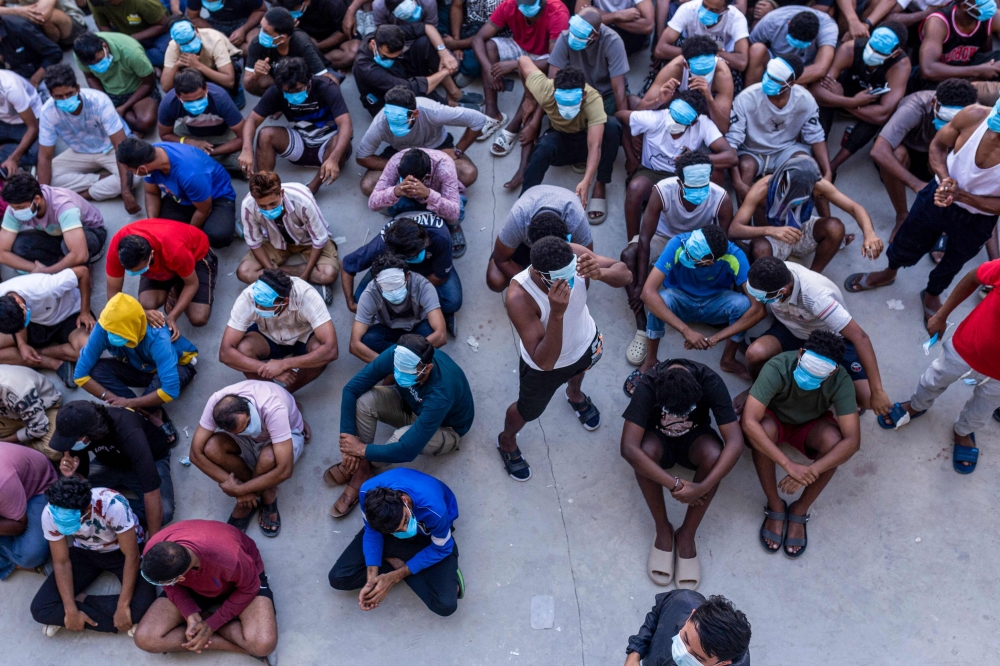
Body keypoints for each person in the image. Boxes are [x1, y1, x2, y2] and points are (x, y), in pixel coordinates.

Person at [845, 99, 1000, 318]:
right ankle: (888, 273)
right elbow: (938, 146)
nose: (994, 133)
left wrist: (963, 196)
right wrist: (945, 179)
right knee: (908, 238)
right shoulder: (974, 116)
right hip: (937, 192)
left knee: (955, 260)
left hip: (978, 217)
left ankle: (932, 293)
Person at [497, 237, 631, 481]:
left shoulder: (575, 253)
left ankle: (574, 395)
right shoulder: (519, 296)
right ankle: (506, 440)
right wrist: (556, 314)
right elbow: (544, 362)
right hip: (545, 368)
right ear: (538, 272)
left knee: (579, 373)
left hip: (585, 343)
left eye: (572, 272)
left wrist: (600, 273)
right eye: (561, 278)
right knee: (528, 410)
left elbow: (625, 275)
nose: (570, 281)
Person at [620, 359, 745, 590]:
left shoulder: (710, 381)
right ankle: (663, 528)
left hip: (694, 439)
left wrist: (702, 487)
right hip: (657, 440)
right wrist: (675, 485)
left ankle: (687, 534)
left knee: (716, 454)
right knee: (643, 455)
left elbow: (735, 442)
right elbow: (628, 448)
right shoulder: (648, 384)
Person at [742, 330, 860, 558]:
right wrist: (788, 464)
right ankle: (775, 504)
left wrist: (810, 470)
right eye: (807, 369)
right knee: (762, 431)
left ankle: (800, 508)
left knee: (835, 443)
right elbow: (749, 422)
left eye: (819, 374)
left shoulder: (841, 379)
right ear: (800, 353)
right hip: (773, 417)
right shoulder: (777, 366)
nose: (810, 377)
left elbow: (852, 441)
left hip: (810, 425)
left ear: (834, 370)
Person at [328, 334, 472, 516]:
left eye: (406, 372)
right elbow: (351, 389)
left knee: (399, 440)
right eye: (397, 370)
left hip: (445, 428)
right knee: (364, 402)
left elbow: (407, 450)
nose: (399, 375)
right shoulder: (397, 354)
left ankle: (362, 464)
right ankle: (362, 468)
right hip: (412, 406)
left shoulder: (441, 392)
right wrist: (348, 440)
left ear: (427, 369)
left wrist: (362, 449)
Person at [881, 261, 1000, 473]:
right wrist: (941, 314)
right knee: (933, 379)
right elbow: (974, 276)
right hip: (966, 347)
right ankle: (917, 405)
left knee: (983, 408)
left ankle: (963, 431)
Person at [621, 151, 733, 366]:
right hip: (663, 239)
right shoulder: (663, 190)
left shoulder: (721, 198)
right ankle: (642, 326)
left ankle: (695, 303)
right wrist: (641, 282)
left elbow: (721, 243)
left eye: (704, 186)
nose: (699, 192)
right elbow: (645, 238)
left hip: (696, 244)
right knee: (629, 256)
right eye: (692, 187)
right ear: (680, 181)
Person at [743, 256, 891, 415]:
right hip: (791, 329)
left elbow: (860, 337)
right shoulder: (771, 274)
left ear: (782, 291)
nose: (758, 301)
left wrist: (878, 391)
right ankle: (760, 389)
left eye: (761, 297)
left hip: (827, 340)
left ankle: (827, 388)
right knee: (754, 354)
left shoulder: (817, 298)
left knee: (869, 398)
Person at [632, 227, 763, 392]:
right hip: (680, 300)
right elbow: (647, 293)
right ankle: (650, 360)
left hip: (716, 303)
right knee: (660, 300)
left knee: (744, 305)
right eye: (686, 250)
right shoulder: (678, 243)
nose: (684, 254)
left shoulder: (735, 256)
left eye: (691, 256)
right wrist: (685, 330)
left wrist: (715, 338)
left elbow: (758, 309)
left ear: (709, 262)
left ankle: (728, 360)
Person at [133, 520, 278, 664]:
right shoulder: (154, 550)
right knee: (146, 639)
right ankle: (242, 649)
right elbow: (170, 586)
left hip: (241, 583)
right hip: (192, 586)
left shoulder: (231, 559)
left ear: (180, 577)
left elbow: (249, 588)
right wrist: (189, 612)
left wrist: (212, 624)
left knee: (263, 644)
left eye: (163, 582)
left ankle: (207, 621)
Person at [30, 476, 156, 635]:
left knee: (142, 606)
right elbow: (61, 562)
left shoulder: (113, 505)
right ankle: (114, 620)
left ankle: (80, 603)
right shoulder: (51, 512)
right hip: (84, 552)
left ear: (88, 510)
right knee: (40, 609)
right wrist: (70, 610)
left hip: (120, 551)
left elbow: (132, 555)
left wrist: (122, 606)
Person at [328, 468, 463, 616]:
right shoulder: (366, 493)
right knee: (338, 578)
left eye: (405, 520)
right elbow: (372, 531)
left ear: (403, 500)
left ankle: (400, 563)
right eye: (398, 529)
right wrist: (371, 579)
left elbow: (441, 548)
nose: (405, 530)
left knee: (445, 605)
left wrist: (395, 577)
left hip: (428, 538)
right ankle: (409, 563)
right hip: (388, 534)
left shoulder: (433, 509)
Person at [73, 293, 198, 445]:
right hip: (140, 366)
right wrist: (117, 400)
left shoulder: (158, 336)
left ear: (134, 327)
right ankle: (143, 412)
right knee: (96, 370)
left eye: (119, 333)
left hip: (179, 365)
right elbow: (80, 375)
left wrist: (130, 403)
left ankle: (147, 412)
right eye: (110, 331)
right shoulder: (105, 326)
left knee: (168, 381)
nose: (110, 335)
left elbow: (170, 390)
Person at [190, 380, 308, 537]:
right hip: (249, 442)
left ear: (246, 406)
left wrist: (240, 490)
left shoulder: (273, 407)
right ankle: (261, 490)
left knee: (268, 457)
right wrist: (235, 488)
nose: (248, 429)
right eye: (241, 430)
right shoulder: (216, 403)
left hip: (286, 435)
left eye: (247, 423)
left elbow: (285, 470)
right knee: (211, 448)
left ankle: (262, 496)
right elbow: (195, 454)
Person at [728, 154, 883, 273]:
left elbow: (855, 208)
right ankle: (775, 293)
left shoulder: (816, 185)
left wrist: (870, 234)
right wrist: (771, 230)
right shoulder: (762, 188)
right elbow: (734, 229)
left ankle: (812, 277)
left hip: (800, 229)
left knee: (835, 227)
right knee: (760, 249)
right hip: (772, 237)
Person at [870, 78, 978, 239]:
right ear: (934, 103)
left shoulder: (974, 114)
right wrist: (916, 184)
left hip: (941, 157)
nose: (949, 127)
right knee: (896, 155)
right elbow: (878, 150)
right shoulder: (914, 106)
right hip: (910, 152)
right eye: (945, 118)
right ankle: (902, 215)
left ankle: (942, 226)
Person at [619, 89, 735, 238]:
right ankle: (633, 241)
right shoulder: (655, 118)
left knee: (715, 173)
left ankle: (708, 234)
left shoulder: (703, 124)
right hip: (654, 172)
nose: (673, 122)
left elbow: (731, 157)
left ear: (694, 121)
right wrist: (632, 150)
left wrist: (694, 158)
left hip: (686, 175)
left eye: (680, 122)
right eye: (673, 117)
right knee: (635, 188)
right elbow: (620, 116)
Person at [517, 59, 620, 224]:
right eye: (562, 103)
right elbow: (522, 61)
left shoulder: (593, 99)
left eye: (572, 103)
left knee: (612, 126)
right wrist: (529, 97)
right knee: (543, 148)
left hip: (585, 138)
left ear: (583, 95)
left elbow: (595, 145)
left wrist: (587, 181)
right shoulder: (544, 89)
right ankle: (524, 202)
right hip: (560, 138)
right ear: (554, 93)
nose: (567, 108)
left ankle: (600, 183)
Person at [51, 400, 173, 535]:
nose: (69, 445)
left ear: (88, 434)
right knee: (71, 496)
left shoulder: (129, 432)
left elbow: (152, 492)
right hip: (109, 462)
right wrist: (71, 475)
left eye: (72, 440)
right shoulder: (78, 432)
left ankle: (109, 508)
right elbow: (81, 478)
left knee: (164, 512)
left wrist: (152, 540)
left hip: (151, 460)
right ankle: (106, 508)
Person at [239, 57, 353, 194]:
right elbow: (252, 119)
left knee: (340, 141)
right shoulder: (277, 91)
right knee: (265, 134)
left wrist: (334, 159)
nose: (293, 94)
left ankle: (311, 189)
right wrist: (246, 149)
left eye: (298, 89)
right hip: (301, 141)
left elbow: (346, 125)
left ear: (309, 81)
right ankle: (266, 187)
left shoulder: (327, 87)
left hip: (328, 145)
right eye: (288, 91)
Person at [810, 23, 910, 177]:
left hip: (867, 104)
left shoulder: (900, 66)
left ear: (895, 53)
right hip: (844, 95)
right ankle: (818, 159)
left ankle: (834, 165)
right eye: (871, 47)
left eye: (879, 52)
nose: (872, 53)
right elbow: (817, 91)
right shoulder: (849, 49)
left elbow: (883, 114)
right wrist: (850, 101)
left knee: (873, 122)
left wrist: (848, 102)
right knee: (822, 104)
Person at [726, 56, 830, 202]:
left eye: (775, 79)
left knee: (808, 167)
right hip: (752, 151)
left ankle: (824, 220)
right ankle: (743, 221)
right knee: (746, 167)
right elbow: (732, 140)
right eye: (768, 75)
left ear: (791, 83)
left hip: (786, 149)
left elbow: (816, 136)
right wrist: (738, 183)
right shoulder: (746, 98)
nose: (768, 80)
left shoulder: (804, 99)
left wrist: (828, 172)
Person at [356, 85, 493, 196]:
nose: (394, 127)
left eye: (400, 123)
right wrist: (400, 166)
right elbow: (362, 156)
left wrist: (457, 151)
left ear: (415, 114)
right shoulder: (380, 122)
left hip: (437, 146)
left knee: (468, 173)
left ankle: (422, 195)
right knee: (368, 186)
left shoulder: (432, 110)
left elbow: (478, 120)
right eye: (392, 123)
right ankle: (428, 193)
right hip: (401, 154)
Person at [37, 64, 137, 214]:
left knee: (135, 177)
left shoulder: (99, 101)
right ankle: (103, 179)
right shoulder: (48, 112)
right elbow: (44, 157)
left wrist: (126, 191)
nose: (65, 99)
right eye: (59, 96)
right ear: (51, 95)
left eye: (69, 93)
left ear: (77, 88)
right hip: (80, 151)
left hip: (109, 148)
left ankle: (81, 195)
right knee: (45, 179)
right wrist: (44, 198)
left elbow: (120, 145)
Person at [221, 269, 338, 393]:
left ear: (285, 301)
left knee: (320, 350)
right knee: (243, 348)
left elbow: (331, 350)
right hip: (268, 334)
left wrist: (285, 364)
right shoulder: (249, 296)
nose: (258, 308)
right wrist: (268, 369)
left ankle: (288, 393)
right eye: (257, 304)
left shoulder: (306, 295)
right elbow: (225, 352)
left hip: (304, 335)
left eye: (265, 306)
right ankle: (275, 395)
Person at [342, 214, 461, 332]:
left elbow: (440, 277)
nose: (421, 251)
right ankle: (425, 313)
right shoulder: (382, 246)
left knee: (452, 301)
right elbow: (346, 265)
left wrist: (412, 295)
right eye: (415, 254)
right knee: (361, 301)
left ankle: (432, 313)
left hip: (431, 266)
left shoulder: (440, 237)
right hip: (393, 265)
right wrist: (350, 304)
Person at [471, 0, 569, 141]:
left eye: (529, 4)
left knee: (540, 76)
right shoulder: (510, 4)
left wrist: (516, 64)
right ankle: (493, 114)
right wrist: (489, 71)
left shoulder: (557, 12)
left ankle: (514, 125)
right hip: (520, 46)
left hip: (545, 55)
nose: (524, 8)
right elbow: (478, 38)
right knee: (489, 47)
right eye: (521, 4)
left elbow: (555, 61)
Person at [116, 136, 238, 249]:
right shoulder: (150, 155)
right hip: (182, 196)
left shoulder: (190, 174)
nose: (132, 173)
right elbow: (151, 193)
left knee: (218, 236)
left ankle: (227, 221)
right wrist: (152, 223)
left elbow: (204, 210)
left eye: (130, 170)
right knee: (161, 231)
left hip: (215, 196)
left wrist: (188, 235)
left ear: (142, 168)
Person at [237, 171, 340, 303]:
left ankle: (289, 282)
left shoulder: (303, 200)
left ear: (282, 193)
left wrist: (306, 274)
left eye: (273, 204)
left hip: (308, 241)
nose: (268, 210)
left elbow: (319, 239)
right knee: (244, 272)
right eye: (262, 206)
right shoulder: (248, 205)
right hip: (274, 241)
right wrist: (272, 272)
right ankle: (308, 285)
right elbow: (254, 243)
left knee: (329, 274)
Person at [106, 218, 217, 331]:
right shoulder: (119, 248)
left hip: (196, 255)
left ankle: (180, 280)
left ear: (151, 255)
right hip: (169, 261)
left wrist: (172, 317)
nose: (133, 273)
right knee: (147, 304)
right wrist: (142, 313)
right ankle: (176, 281)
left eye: (140, 269)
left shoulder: (174, 250)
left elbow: (192, 284)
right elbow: (113, 296)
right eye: (130, 270)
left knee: (198, 317)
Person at [486, 184, 594, 292]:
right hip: (524, 243)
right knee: (496, 280)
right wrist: (537, 286)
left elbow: (587, 263)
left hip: (560, 245)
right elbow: (501, 259)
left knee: (581, 287)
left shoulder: (576, 220)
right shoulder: (518, 219)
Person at [0, 267, 94, 384]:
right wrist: (22, 344)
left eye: (24, 319)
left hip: (69, 316)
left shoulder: (45, 288)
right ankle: (54, 363)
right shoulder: (3, 297)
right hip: (35, 324)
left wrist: (85, 311)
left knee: (88, 349)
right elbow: (19, 322)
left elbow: (83, 272)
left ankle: (36, 353)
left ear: (18, 302)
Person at [0, 172, 107, 272]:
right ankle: (64, 264)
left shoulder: (63, 206)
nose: (16, 212)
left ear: (37, 199)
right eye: (14, 208)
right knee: (19, 244)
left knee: (70, 248)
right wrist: (36, 269)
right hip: (57, 235)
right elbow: (2, 253)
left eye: (21, 207)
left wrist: (48, 272)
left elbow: (80, 254)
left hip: (91, 232)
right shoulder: (14, 209)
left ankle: (80, 270)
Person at [369, 147, 468, 255]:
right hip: (407, 198)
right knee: (385, 204)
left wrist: (428, 194)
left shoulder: (445, 166)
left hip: (439, 196)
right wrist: (395, 191)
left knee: (457, 215)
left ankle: (452, 227)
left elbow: (454, 214)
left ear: (427, 177)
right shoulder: (396, 161)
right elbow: (373, 203)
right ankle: (411, 224)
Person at [350, 252, 446, 360]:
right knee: (368, 339)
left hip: (418, 326)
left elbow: (441, 335)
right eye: (387, 286)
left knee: (431, 332)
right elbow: (354, 345)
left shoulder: (422, 286)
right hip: (389, 329)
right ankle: (406, 360)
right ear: (376, 281)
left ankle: (398, 357)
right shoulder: (370, 294)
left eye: (397, 284)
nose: (394, 292)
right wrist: (386, 365)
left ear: (407, 276)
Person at [353, 24, 462, 117]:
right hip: (384, 98)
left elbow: (427, 27)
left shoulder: (388, 34)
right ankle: (449, 105)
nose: (391, 60)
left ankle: (454, 93)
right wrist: (445, 71)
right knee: (418, 95)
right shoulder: (365, 67)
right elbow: (410, 88)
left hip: (400, 72)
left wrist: (444, 53)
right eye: (386, 57)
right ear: (373, 44)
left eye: (396, 56)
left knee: (425, 42)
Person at [639, 36, 736, 134]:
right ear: (686, 65)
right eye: (699, 72)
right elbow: (640, 110)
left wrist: (709, 99)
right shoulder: (674, 68)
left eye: (708, 72)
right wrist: (659, 101)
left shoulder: (722, 74)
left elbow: (723, 128)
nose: (703, 77)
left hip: (705, 119)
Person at [157, 68, 245, 173]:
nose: (195, 104)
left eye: (199, 98)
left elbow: (244, 136)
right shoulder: (168, 104)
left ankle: (196, 162)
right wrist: (190, 142)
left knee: (240, 163)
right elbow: (165, 135)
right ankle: (207, 164)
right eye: (188, 101)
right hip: (189, 133)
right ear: (177, 96)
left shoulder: (220, 99)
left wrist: (210, 153)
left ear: (206, 89)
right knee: (164, 154)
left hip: (223, 133)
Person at [625, 592, 751, 666]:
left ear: (722, 663)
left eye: (697, 657)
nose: (682, 653)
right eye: (685, 638)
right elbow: (657, 613)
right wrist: (634, 654)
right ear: (692, 614)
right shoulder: (680, 601)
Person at [73, 32, 160, 135]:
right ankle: (127, 120)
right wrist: (104, 101)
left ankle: (125, 118)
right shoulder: (81, 55)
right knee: (87, 124)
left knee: (145, 122)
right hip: (109, 92)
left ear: (104, 46)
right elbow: (90, 77)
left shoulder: (131, 53)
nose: (96, 65)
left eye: (99, 60)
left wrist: (123, 108)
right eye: (91, 64)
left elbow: (148, 84)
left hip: (137, 89)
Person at [548, 9, 629, 118]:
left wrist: (625, 125)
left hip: (605, 95)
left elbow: (618, 89)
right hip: (579, 95)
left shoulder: (612, 41)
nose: (573, 38)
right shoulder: (565, 37)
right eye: (573, 33)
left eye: (579, 37)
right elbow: (552, 80)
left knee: (618, 116)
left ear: (594, 35)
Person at [655, 0, 749, 86]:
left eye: (713, 10)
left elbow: (741, 62)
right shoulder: (689, 8)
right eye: (704, 5)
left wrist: (712, 54)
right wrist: (702, 52)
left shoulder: (736, 18)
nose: (706, 11)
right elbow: (660, 49)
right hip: (690, 60)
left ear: (725, 9)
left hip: (718, 64)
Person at [243, 7, 334, 96]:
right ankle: (280, 104)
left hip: (308, 80)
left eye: (266, 31)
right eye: (261, 27)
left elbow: (324, 78)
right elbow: (247, 85)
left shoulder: (301, 43)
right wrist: (255, 75)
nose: (261, 33)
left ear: (282, 38)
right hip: (283, 81)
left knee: (332, 83)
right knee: (261, 82)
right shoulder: (257, 43)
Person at [913, 0, 1000, 90]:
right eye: (983, 3)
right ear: (965, 6)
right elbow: (928, 70)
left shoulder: (993, 17)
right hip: (939, 74)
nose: (990, 5)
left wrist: (993, 67)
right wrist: (977, 71)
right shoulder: (938, 22)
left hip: (969, 64)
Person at [0, 442, 57, 580]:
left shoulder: (3, 482)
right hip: (12, 491)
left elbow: (19, 525)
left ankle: (11, 562)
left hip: (39, 489)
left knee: (30, 556)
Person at [162, 16, 245, 108]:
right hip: (199, 69)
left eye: (191, 40)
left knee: (231, 89)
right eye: (184, 43)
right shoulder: (173, 47)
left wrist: (198, 65)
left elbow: (229, 81)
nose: (189, 45)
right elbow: (166, 87)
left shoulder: (214, 39)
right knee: (183, 77)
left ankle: (235, 92)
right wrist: (176, 66)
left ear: (195, 29)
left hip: (227, 63)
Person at [746, 7, 838, 86]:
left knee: (803, 85)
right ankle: (750, 98)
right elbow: (750, 44)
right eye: (794, 39)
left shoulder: (827, 27)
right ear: (789, 23)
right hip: (774, 59)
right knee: (756, 50)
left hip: (802, 68)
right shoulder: (772, 20)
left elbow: (820, 68)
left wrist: (779, 81)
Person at [273, 0, 359, 70]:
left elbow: (344, 32)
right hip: (303, 37)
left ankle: (311, 65)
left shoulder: (333, 3)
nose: (291, 12)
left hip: (333, 34)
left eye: (293, 9)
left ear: (306, 1)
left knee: (352, 52)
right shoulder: (281, 4)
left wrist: (317, 46)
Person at [0, 365, 61, 459]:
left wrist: (5, 441)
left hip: (45, 410)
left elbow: (39, 429)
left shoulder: (19, 391)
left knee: (55, 451)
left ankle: (25, 448)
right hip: (9, 415)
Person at [88, 0, 171, 68]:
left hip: (156, 32)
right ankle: (145, 61)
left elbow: (164, 24)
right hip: (123, 34)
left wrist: (130, 39)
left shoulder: (143, 2)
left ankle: (143, 62)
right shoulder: (97, 2)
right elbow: (102, 25)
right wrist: (115, 43)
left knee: (163, 56)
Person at [439, 0, 503, 83]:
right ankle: (445, 53)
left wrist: (455, 45)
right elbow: (457, 5)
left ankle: (457, 66)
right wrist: (456, 38)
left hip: (489, 33)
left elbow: (484, 36)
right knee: (441, 14)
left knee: (475, 62)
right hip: (466, 24)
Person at [0, 15, 61, 88]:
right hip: (18, 75)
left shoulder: (20, 27)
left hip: (42, 72)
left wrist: (35, 80)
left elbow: (55, 53)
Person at [0, 69, 40, 178]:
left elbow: (33, 127)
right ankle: (10, 149)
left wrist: (14, 158)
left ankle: (8, 152)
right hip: (3, 121)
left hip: (26, 121)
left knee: (37, 154)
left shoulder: (11, 87)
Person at [185, 0, 265, 54]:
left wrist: (243, 29)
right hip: (215, 22)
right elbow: (193, 17)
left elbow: (261, 10)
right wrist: (215, 33)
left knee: (254, 47)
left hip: (245, 20)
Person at [578, 0, 652, 56]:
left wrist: (601, 16)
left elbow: (648, 26)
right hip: (604, 27)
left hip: (628, 30)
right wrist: (616, 15)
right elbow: (580, 13)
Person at [0, 0, 85, 47]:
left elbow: (40, 13)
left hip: (70, 26)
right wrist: (17, 11)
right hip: (40, 31)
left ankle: (50, 51)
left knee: (47, 17)